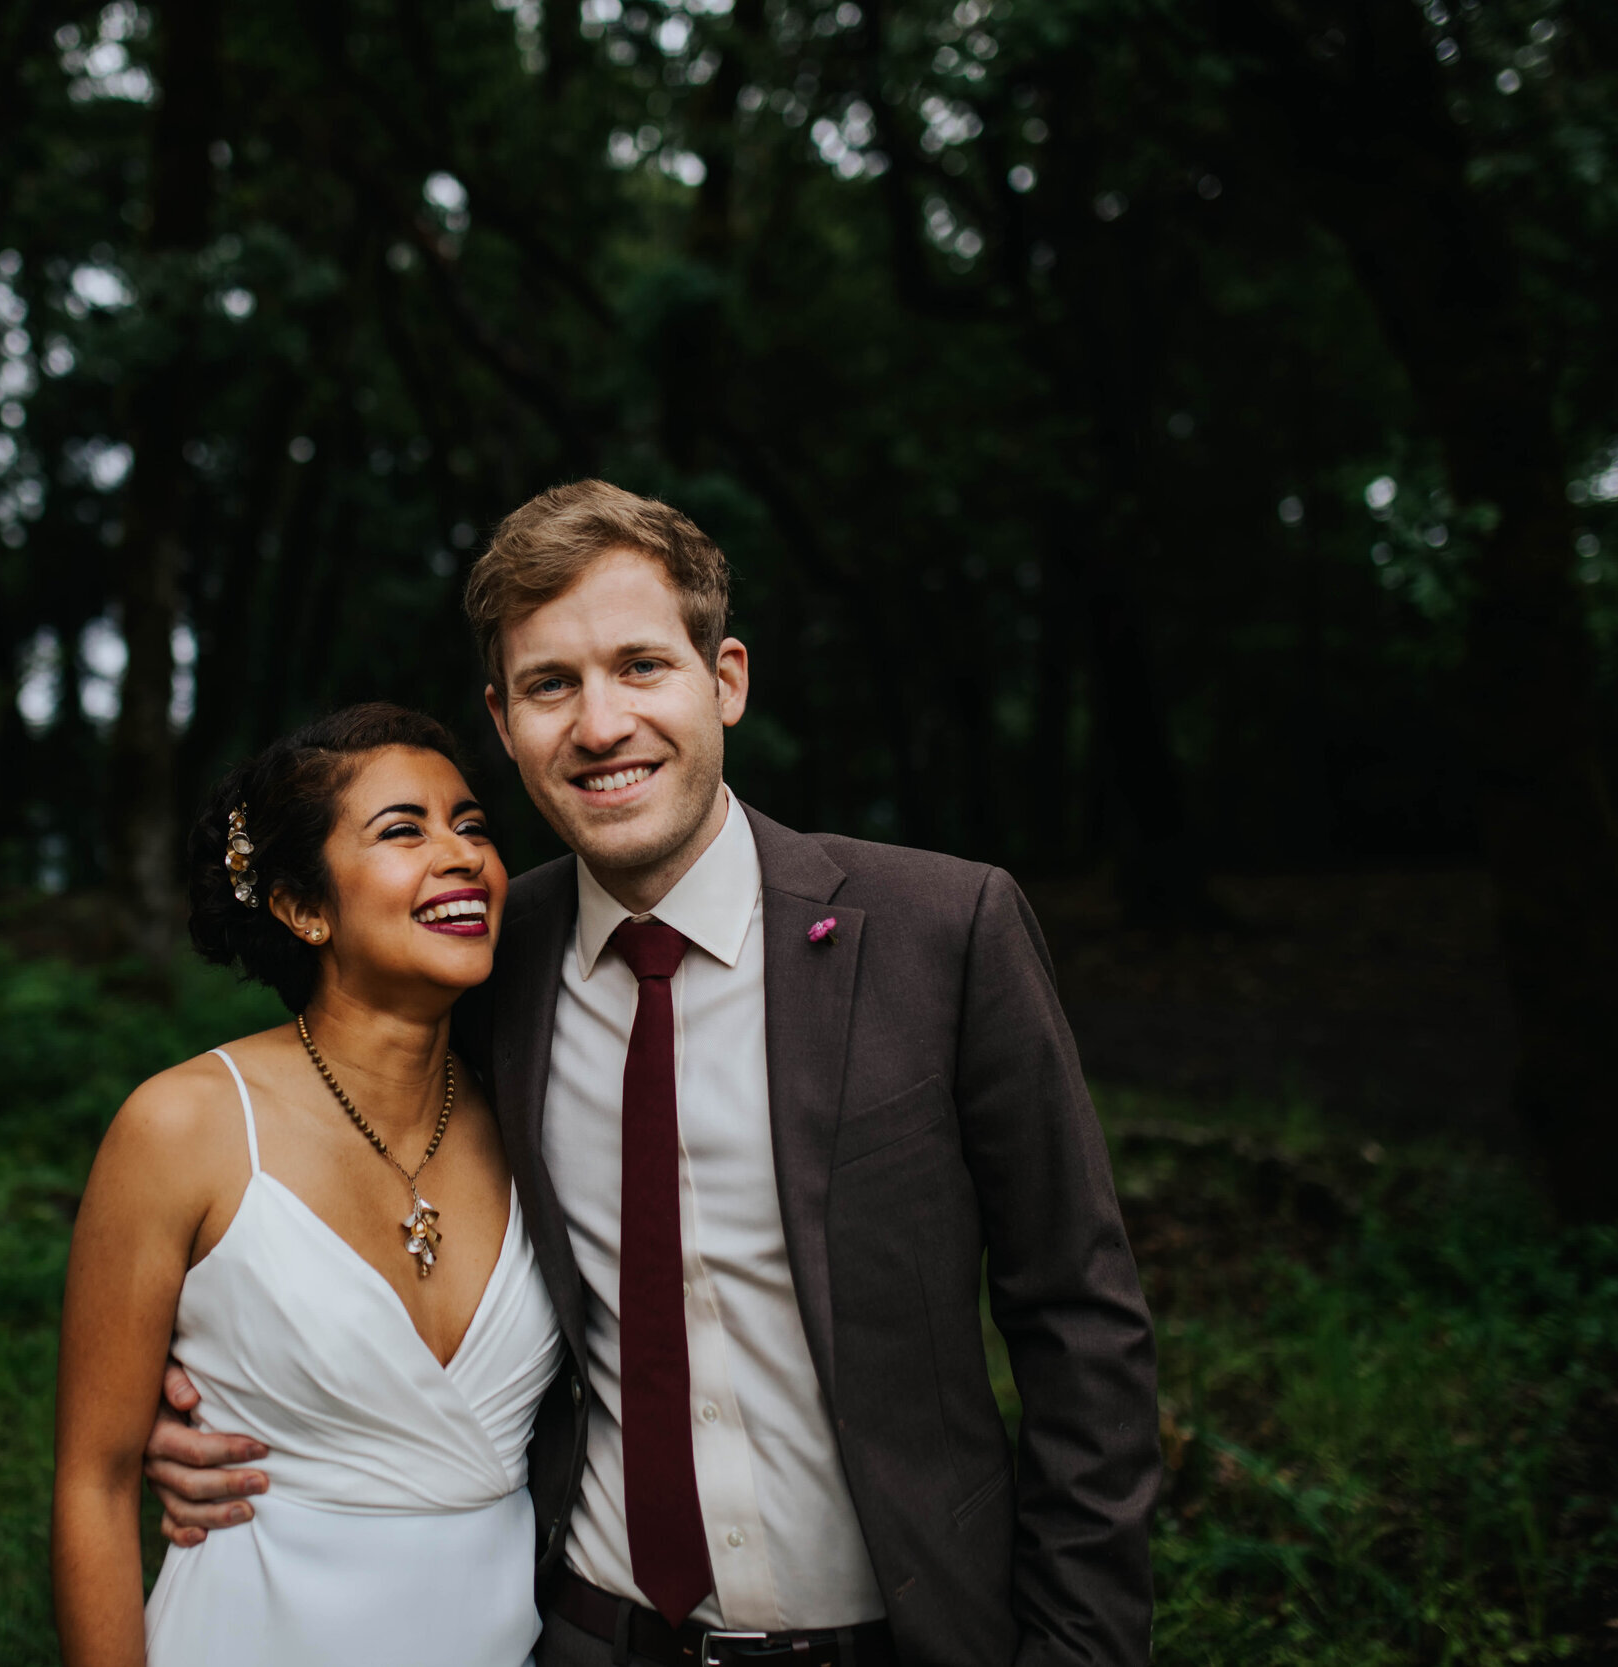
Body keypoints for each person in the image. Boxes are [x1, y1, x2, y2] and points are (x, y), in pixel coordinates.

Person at [145, 481, 1162, 1667]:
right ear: (504, 717)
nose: (599, 723)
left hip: (903, 1635)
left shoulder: (944, 931)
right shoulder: (483, 965)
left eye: (640, 666)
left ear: (722, 678)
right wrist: (218, 1403)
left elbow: (1079, 1321)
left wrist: (1083, 1648)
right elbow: (347, 1196)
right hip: (585, 1632)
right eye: (550, 685)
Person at [52, 703, 564, 1666]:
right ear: (301, 906)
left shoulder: (536, 1115)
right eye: (403, 829)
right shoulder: (184, 1125)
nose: (461, 855)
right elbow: (94, 1481)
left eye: (473, 825)